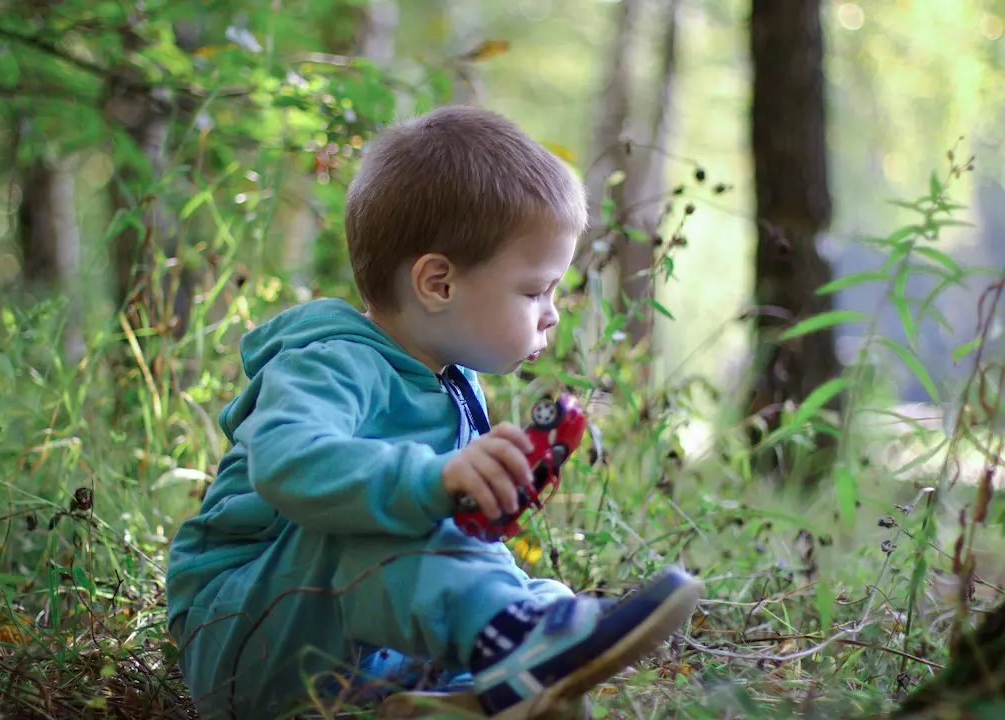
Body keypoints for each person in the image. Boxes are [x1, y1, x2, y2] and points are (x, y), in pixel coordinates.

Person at [165, 105, 703, 720]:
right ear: (438, 284)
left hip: (343, 644)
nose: (552, 312)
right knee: (411, 549)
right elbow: (286, 462)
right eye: (534, 290)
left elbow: (445, 542)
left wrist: (478, 504)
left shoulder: (449, 381)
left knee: (533, 599)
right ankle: (520, 651)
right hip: (245, 634)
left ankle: (469, 694)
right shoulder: (328, 363)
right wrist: (434, 479)